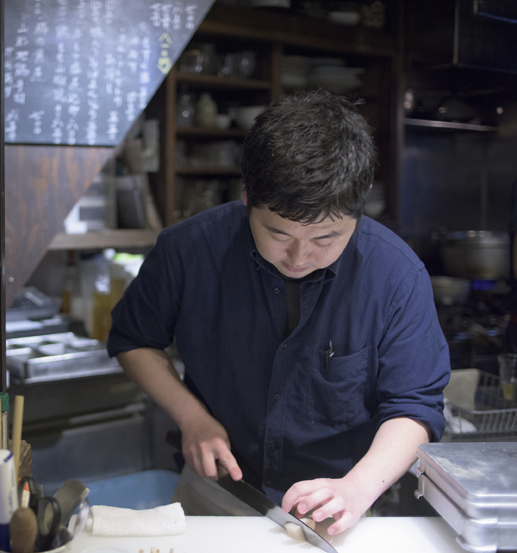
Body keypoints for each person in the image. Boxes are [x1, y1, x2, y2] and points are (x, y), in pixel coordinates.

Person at [107, 90, 450, 535]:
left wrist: (357, 488)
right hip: (219, 491)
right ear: (248, 194)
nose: (299, 256)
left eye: (325, 238)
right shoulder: (188, 250)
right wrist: (191, 416)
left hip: (343, 506)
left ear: (362, 200)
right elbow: (134, 339)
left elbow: (415, 406)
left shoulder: (397, 276)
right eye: (278, 233)